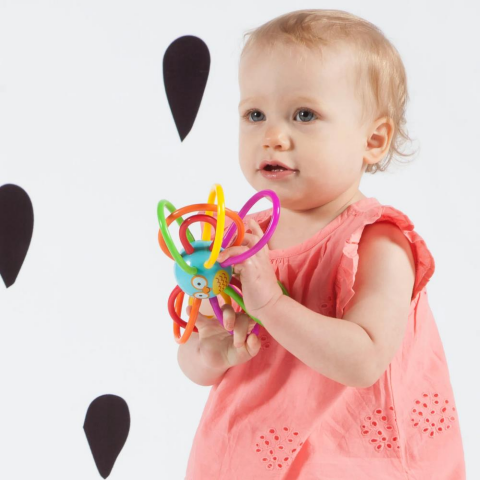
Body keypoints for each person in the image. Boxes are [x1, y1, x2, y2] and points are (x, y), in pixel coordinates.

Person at [177, 9, 466, 479]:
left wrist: (270, 303)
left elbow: (365, 360)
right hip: (242, 458)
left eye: (304, 114)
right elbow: (198, 360)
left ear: (373, 139)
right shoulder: (238, 240)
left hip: (352, 462)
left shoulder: (379, 241)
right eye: (255, 114)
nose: (272, 136)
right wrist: (210, 352)